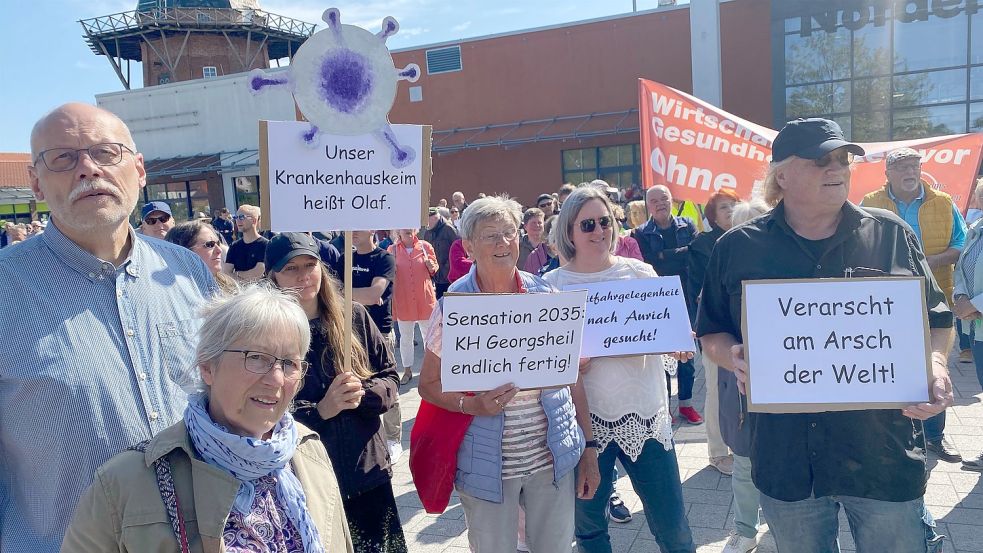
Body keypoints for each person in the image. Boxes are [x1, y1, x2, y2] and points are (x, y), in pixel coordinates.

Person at [698, 118, 954, 553]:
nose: (836, 168)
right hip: (788, 462)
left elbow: (938, 318)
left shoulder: (891, 235)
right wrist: (733, 356)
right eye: (820, 160)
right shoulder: (737, 248)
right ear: (782, 175)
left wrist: (936, 364)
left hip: (883, 456)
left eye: (843, 159)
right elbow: (711, 332)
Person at [1, 103, 214, 552]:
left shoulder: (189, 272)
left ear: (138, 169)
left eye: (106, 152)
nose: (87, 169)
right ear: (36, 183)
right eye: (63, 158)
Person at [61, 284, 354, 552]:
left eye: (289, 362)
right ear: (208, 367)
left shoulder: (307, 451)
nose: (276, 379)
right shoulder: (125, 482)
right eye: (256, 357)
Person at [418, 195, 599, 553]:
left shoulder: (545, 292)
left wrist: (589, 447)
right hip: (487, 465)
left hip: (551, 459)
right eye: (490, 236)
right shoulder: (455, 305)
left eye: (509, 232)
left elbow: (572, 379)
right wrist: (472, 405)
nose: (503, 243)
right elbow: (427, 385)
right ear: (468, 246)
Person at [543, 187, 695, 553]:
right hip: (584, 427)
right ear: (570, 232)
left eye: (605, 222)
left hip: (644, 415)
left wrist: (678, 342)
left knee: (674, 528)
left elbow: (667, 336)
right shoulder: (552, 287)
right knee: (591, 530)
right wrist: (564, 363)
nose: (599, 231)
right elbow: (544, 366)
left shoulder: (640, 273)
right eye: (588, 224)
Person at [266, 233, 406, 552]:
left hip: (367, 470)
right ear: (272, 275)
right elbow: (262, 411)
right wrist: (320, 412)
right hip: (306, 478)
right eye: (291, 269)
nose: (303, 276)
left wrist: (364, 395)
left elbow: (390, 377)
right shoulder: (267, 332)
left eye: (310, 265)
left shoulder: (353, 316)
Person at [862, 147, 967, 463]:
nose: (910, 172)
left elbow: (959, 244)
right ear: (888, 174)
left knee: (933, 369)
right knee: (887, 366)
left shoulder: (943, 203)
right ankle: (888, 435)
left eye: (915, 166)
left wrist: (927, 262)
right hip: (885, 302)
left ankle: (935, 437)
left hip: (934, 299)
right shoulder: (870, 203)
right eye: (903, 167)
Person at [696, 193, 769, 553]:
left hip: (789, 390)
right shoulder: (724, 271)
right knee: (744, 459)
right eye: (746, 227)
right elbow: (710, 329)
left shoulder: (788, 268)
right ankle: (745, 528)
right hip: (740, 383)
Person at [635, 185, 703, 424]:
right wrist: (675, 256)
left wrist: (666, 255)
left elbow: (696, 253)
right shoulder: (641, 233)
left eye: (664, 198)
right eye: (654, 201)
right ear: (648, 206)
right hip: (659, 301)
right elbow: (651, 264)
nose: (660, 203)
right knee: (662, 354)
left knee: (687, 354)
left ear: (671, 200)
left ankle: (686, 403)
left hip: (687, 296)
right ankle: (666, 405)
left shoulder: (688, 225)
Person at [686, 189, 739, 476]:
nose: (730, 211)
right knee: (717, 391)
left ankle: (740, 446)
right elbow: (699, 290)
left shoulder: (750, 238)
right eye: (723, 207)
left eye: (734, 205)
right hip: (716, 329)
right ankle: (718, 452)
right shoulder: (703, 245)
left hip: (743, 327)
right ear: (712, 215)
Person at [953, 180, 983, 471]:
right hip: (978, 329)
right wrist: (960, 295)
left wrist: (974, 304)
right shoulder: (977, 228)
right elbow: (962, 267)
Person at [388, 228, 438, 384]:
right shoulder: (392, 250)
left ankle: (431, 371)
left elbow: (434, 269)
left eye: (411, 227)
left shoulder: (425, 246)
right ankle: (407, 370)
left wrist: (431, 266)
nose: (408, 230)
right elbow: (388, 272)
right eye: (404, 227)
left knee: (430, 337)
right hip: (404, 300)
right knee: (406, 338)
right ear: (398, 232)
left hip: (425, 299)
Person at [165, 219, 238, 293]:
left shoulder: (230, 286)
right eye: (210, 244)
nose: (219, 250)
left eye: (218, 243)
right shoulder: (171, 294)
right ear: (184, 252)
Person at [225, 204, 268, 282]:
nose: (237, 221)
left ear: (254, 220)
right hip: (239, 292)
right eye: (236, 217)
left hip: (260, 292)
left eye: (241, 217)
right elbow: (226, 274)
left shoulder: (265, 245)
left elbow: (257, 274)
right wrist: (245, 276)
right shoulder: (234, 246)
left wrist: (236, 274)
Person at [423, 206, 459, 298]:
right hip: (436, 277)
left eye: (427, 220)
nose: (426, 224)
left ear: (435, 217)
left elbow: (458, 250)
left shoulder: (449, 229)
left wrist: (447, 268)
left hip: (449, 278)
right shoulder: (428, 233)